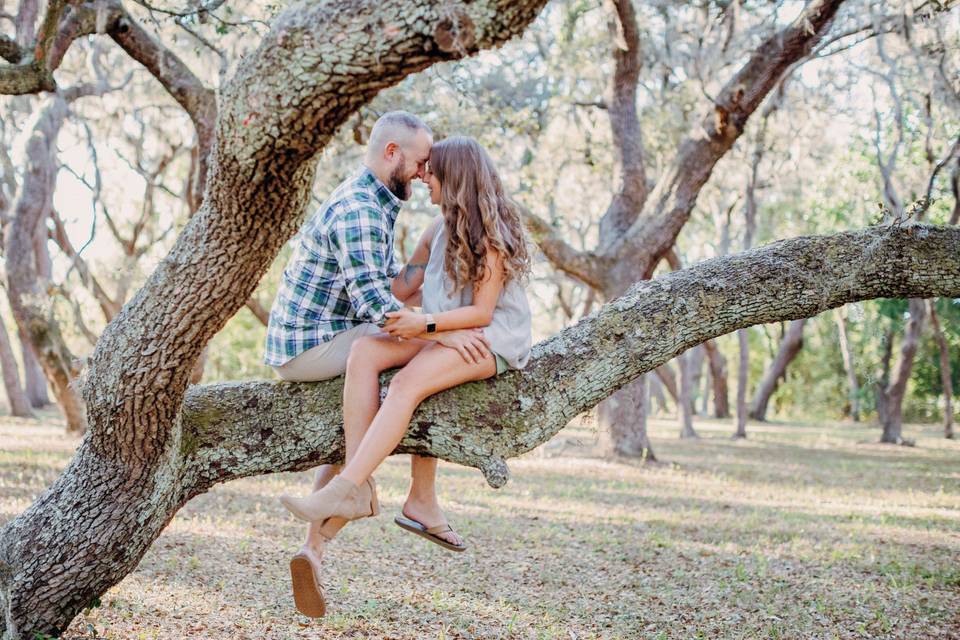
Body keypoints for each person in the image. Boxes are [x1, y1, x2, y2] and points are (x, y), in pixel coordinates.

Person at [264, 113, 489, 618]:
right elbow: (376, 308)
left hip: (318, 337)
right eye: (418, 161)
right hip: (313, 345)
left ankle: (312, 549)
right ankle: (402, 495)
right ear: (392, 152)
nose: (422, 171)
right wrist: (449, 331)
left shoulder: (375, 201)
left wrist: (424, 261)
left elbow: (388, 282)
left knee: (362, 417)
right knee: (418, 358)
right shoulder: (362, 208)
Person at [279, 135, 532, 573]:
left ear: (454, 178)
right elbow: (399, 290)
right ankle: (358, 489)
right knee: (364, 352)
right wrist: (339, 262)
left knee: (406, 383)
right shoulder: (435, 232)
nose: (423, 176)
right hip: (450, 332)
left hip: (488, 339)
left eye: (430, 169)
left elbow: (483, 311)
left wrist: (428, 328)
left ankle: (349, 484)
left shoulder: (491, 236)